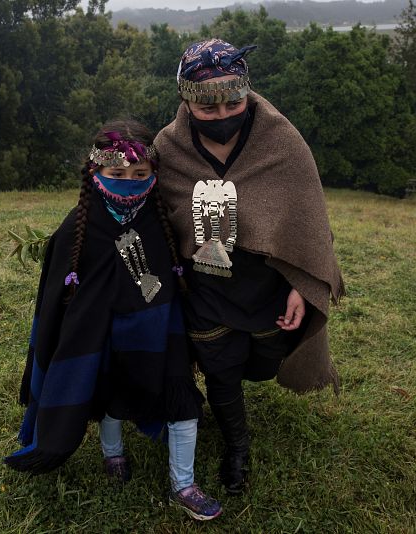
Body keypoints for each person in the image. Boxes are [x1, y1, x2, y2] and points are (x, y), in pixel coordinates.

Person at [4, 119, 222, 521]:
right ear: (96, 171)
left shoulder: (158, 218)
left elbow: (171, 274)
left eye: (140, 174)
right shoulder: (79, 226)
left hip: (159, 325)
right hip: (105, 330)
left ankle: (184, 484)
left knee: (181, 399)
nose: (130, 182)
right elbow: (57, 296)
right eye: (117, 174)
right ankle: (113, 453)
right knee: (112, 395)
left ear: (153, 173)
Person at [153, 39, 345, 495]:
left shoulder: (280, 138)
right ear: (186, 101)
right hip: (205, 285)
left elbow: (308, 216)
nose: (222, 116)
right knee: (220, 366)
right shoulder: (168, 147)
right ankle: (237, 447)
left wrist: (301, 283)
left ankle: (241, 401)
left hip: (267, 286)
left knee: (262, 360)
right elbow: (153, 215)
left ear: (247, 92)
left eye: (232, 103)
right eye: (208, 109)